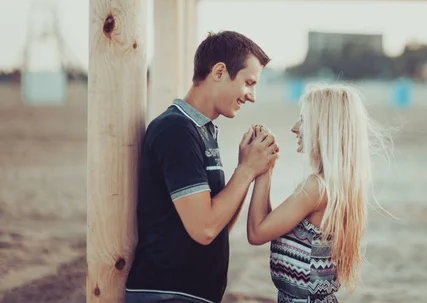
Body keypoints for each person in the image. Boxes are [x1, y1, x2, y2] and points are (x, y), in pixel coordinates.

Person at [126, 31, 280, 303]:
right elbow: (204, 229)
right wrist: (245, 170)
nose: (252, 96)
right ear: (219, 71)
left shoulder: (202, 130)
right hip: (167, 294)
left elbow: (219, 225)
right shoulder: (176, 129)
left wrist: (248, 170)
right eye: (249, 83)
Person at [246, 83, 390, 303]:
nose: (295, 128)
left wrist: (258, 171)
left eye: (304, 120)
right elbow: (272, 227)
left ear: (325, 128)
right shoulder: (336, 185)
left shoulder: (316, 188)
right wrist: (267, 168)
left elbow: (257, 233)